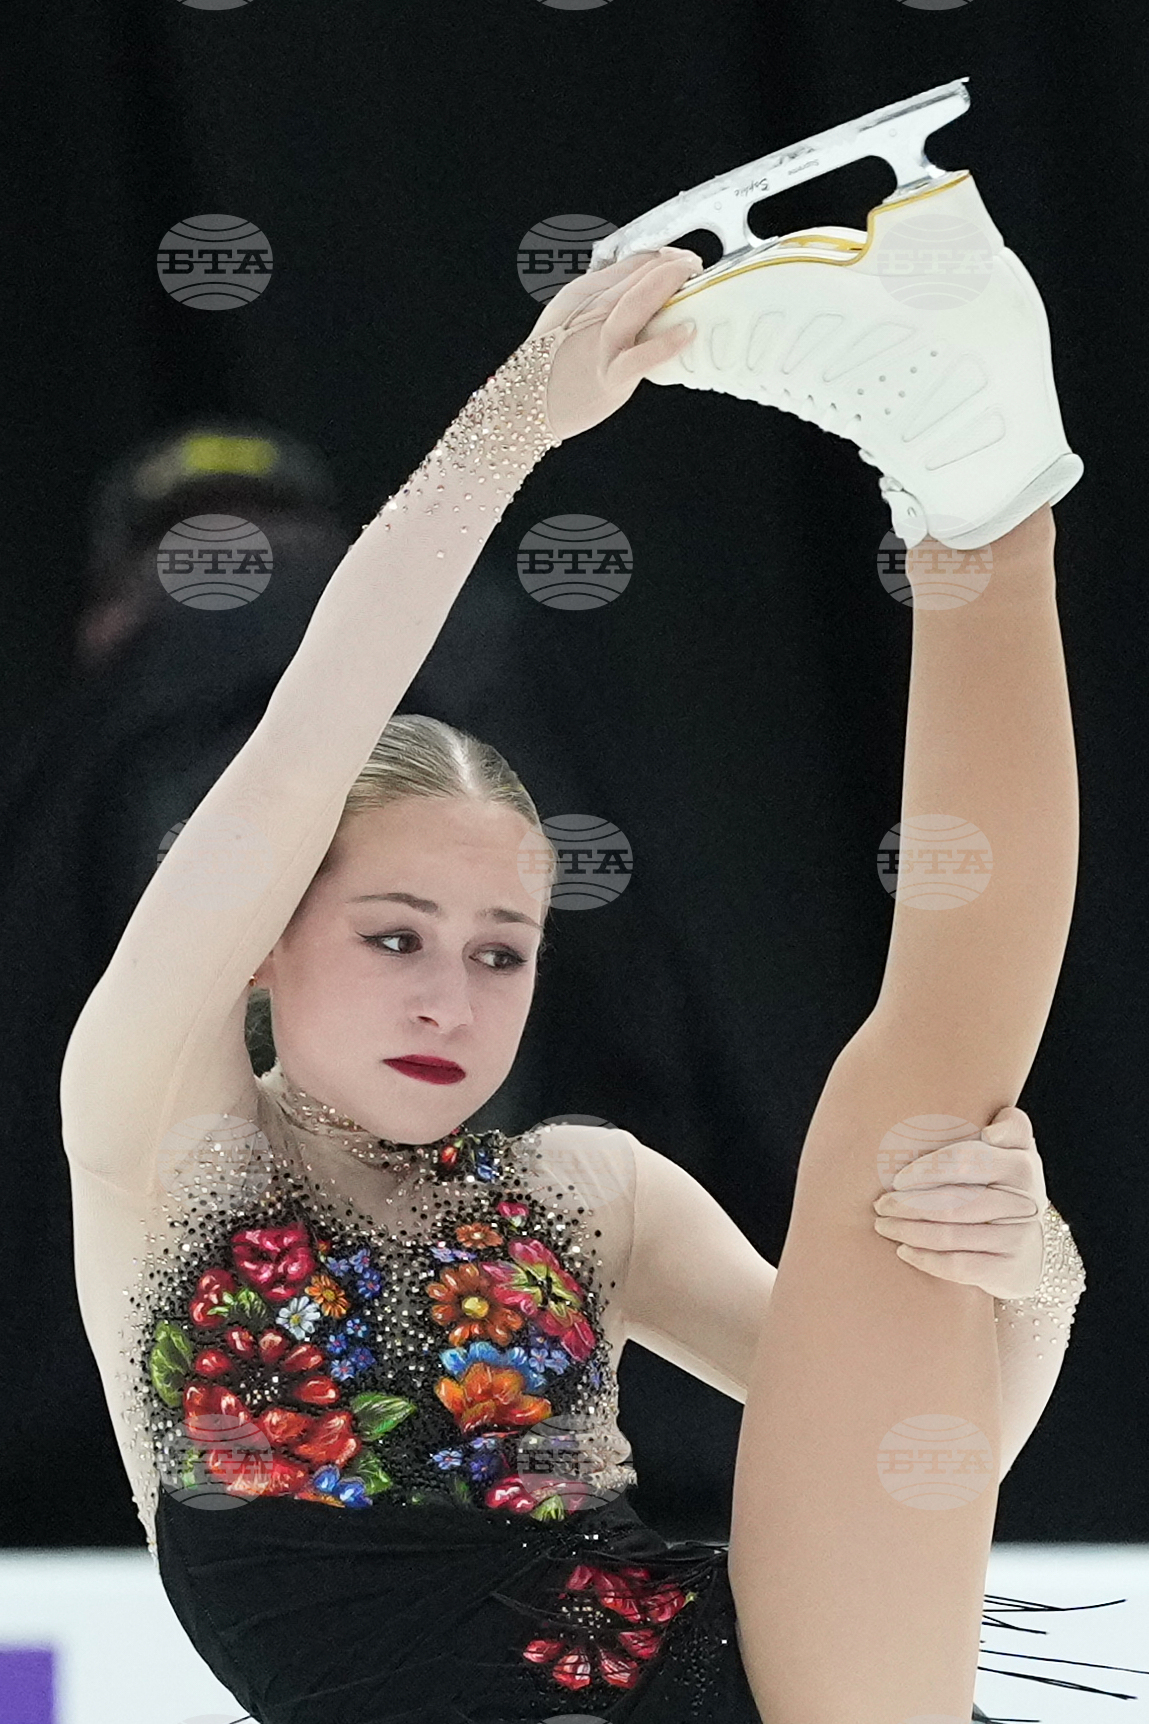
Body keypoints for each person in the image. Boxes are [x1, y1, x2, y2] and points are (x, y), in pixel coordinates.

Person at [58, 248, 1131, 1722]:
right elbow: (303, 746)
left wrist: (1033, 1278)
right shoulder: (169, 1148)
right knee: (900, 1108)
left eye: (501, 949)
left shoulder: (592, 1196)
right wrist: (516, 417)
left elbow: (910, 1474)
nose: (452, 998)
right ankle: (980, 496)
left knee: (914, 1131)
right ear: (261, 937)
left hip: (745, 1674)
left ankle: (976, 487)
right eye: (394, 937)